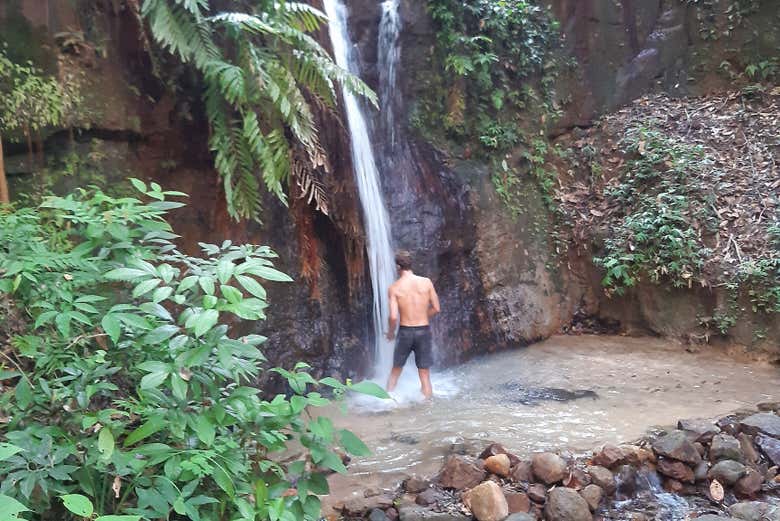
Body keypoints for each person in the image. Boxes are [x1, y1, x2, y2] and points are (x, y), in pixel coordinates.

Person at [385, 250, 440, 399]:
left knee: (395, 370)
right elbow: (436, 308)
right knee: (424, 374)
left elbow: (393, 317)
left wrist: (390, 333)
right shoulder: (426, 282)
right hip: (423, 331)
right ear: (411, 264)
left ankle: (387, 402)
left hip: (405, 332)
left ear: (398, 267)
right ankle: (428, 405)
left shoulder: (394, 288)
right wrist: (423, 316)